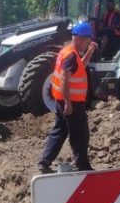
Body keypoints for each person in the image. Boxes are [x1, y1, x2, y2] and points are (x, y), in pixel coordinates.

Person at [37, 22, 98, 174]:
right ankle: (83, 165)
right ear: (79, 38)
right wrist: (69, 104)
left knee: (60, 131)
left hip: (62, 100)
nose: (87, 44)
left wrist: (89, 52)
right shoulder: (71, 55)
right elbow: (65, 79)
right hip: (71, 102)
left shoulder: (68, 52)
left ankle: (44, 162)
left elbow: (80, 67)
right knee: (80, 134)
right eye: (87, 41)